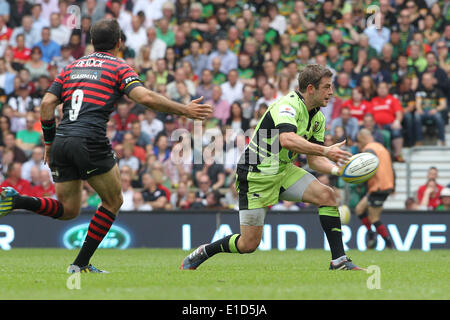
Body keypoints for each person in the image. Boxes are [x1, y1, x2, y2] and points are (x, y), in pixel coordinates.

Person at [0, 19, 212, 273]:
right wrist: (184, 110)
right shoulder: (117, 66)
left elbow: (46, 104)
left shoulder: (72, 67)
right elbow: (143, 96)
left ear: (91, 42)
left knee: (68, 210)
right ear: (119, 42)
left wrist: (48, 142)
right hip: (89, 139)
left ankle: (17, 201)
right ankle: (79, 264)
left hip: (61, 140)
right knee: (113, 201)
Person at [181, 64, 363, 271]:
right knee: (247, 244)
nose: (331, 92)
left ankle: (339, 261)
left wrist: (338, 171)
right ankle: (205, 251)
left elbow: (313, 160)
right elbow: (287, 139)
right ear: (311, 88)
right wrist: (326, 151)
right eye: (327, 87)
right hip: (256, 173)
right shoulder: (287, 106)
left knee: (327, 195)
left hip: (283, 170)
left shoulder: (318, 118)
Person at [354, 129, 395, 250]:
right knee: (359, 209)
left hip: (379, 187)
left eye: (358, 140)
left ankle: (388, 244)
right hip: (382, 185)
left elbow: (365, 169)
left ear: (362, 137)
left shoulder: (369, 149)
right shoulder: (381, 147)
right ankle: (371, 236)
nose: (358, 143)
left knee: (374, 218)